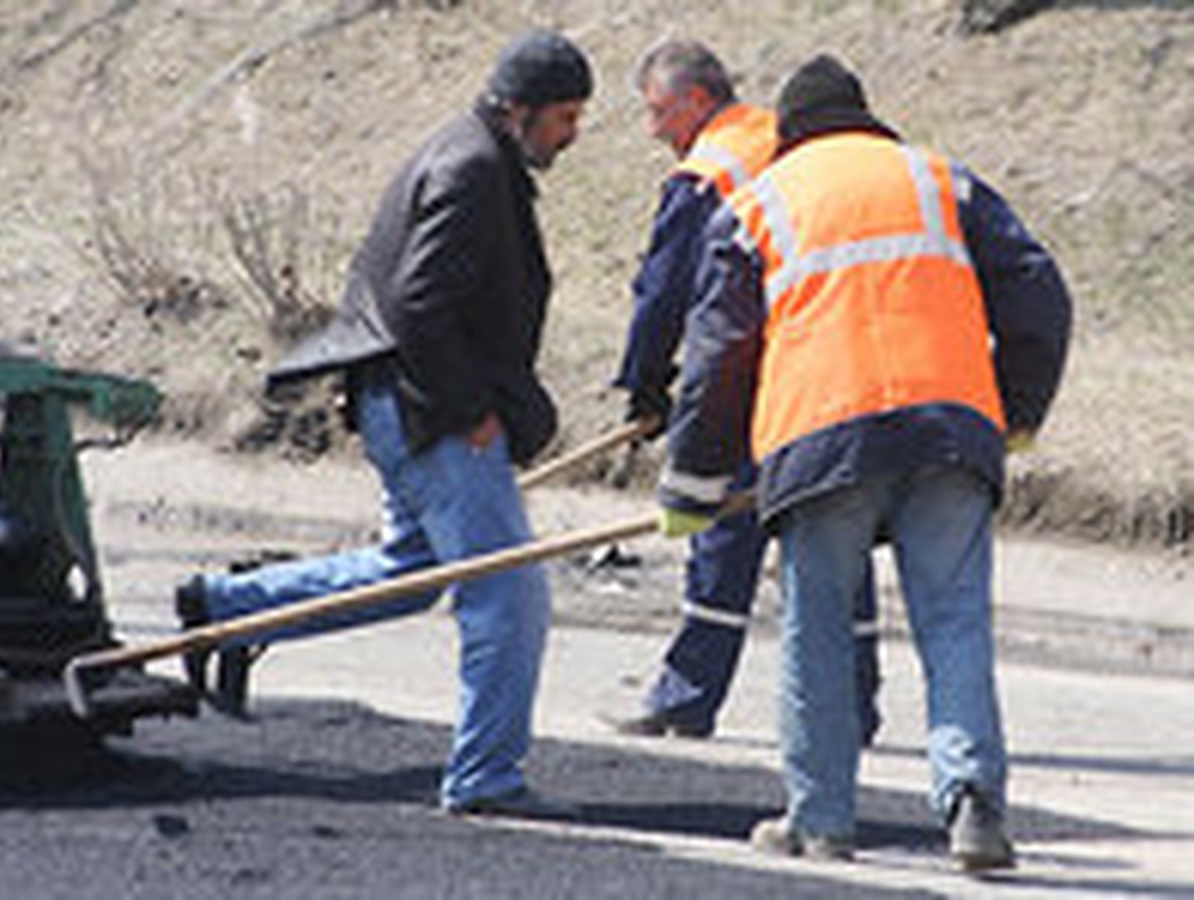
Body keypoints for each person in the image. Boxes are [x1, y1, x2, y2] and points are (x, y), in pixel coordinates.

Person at [657, 54, 1070, 869]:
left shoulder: (760, 202)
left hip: (823, 436)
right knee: (953, 624)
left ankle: (820, 822)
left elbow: (717, 353)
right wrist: (1016, 412)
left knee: (817, 630)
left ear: (793, 135)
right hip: (950, 427)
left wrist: (695, 480)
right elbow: (1039, 292)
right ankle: (974, 805)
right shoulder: (941, 181)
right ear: (867, 121)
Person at [174, 30, 593, 819]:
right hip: (430, 410)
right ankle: (486, 780)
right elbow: (418, 305)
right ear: (519, 110)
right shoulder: (471, 170)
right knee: (509, 596)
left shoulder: (472, 153)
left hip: (402, 403)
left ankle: (227, 607)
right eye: (565, 118)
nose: (572, 134)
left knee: (408, 574)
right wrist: (469, 410)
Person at [610, 39, 880, 742]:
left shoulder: (706, 177)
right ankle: (855, 705)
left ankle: (685, 696)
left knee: (722, 534)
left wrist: (645, 384)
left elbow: (666, 294)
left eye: (659, 112)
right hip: (836, 372)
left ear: (697, 100)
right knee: (834, 531)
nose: (653, 131)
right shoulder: (781, 133)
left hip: (755, 377)